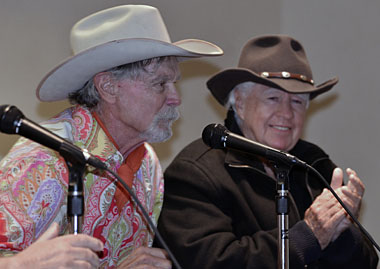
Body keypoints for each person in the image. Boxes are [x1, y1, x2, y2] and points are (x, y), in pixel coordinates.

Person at [0, 5, 222, 268]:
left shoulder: (147, 164)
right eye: (160, 84)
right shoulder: (43, 159)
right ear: (107, 87)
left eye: (174, 83)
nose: (176, 98)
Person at [155, 34, 378, 268]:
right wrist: (309, 235)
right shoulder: (195, 172)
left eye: (297, 102)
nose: (286, 114)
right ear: (239, 103)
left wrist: (338, 231)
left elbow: (367, 263)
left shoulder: (315, 165)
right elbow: (209, 263)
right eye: (273, 98)